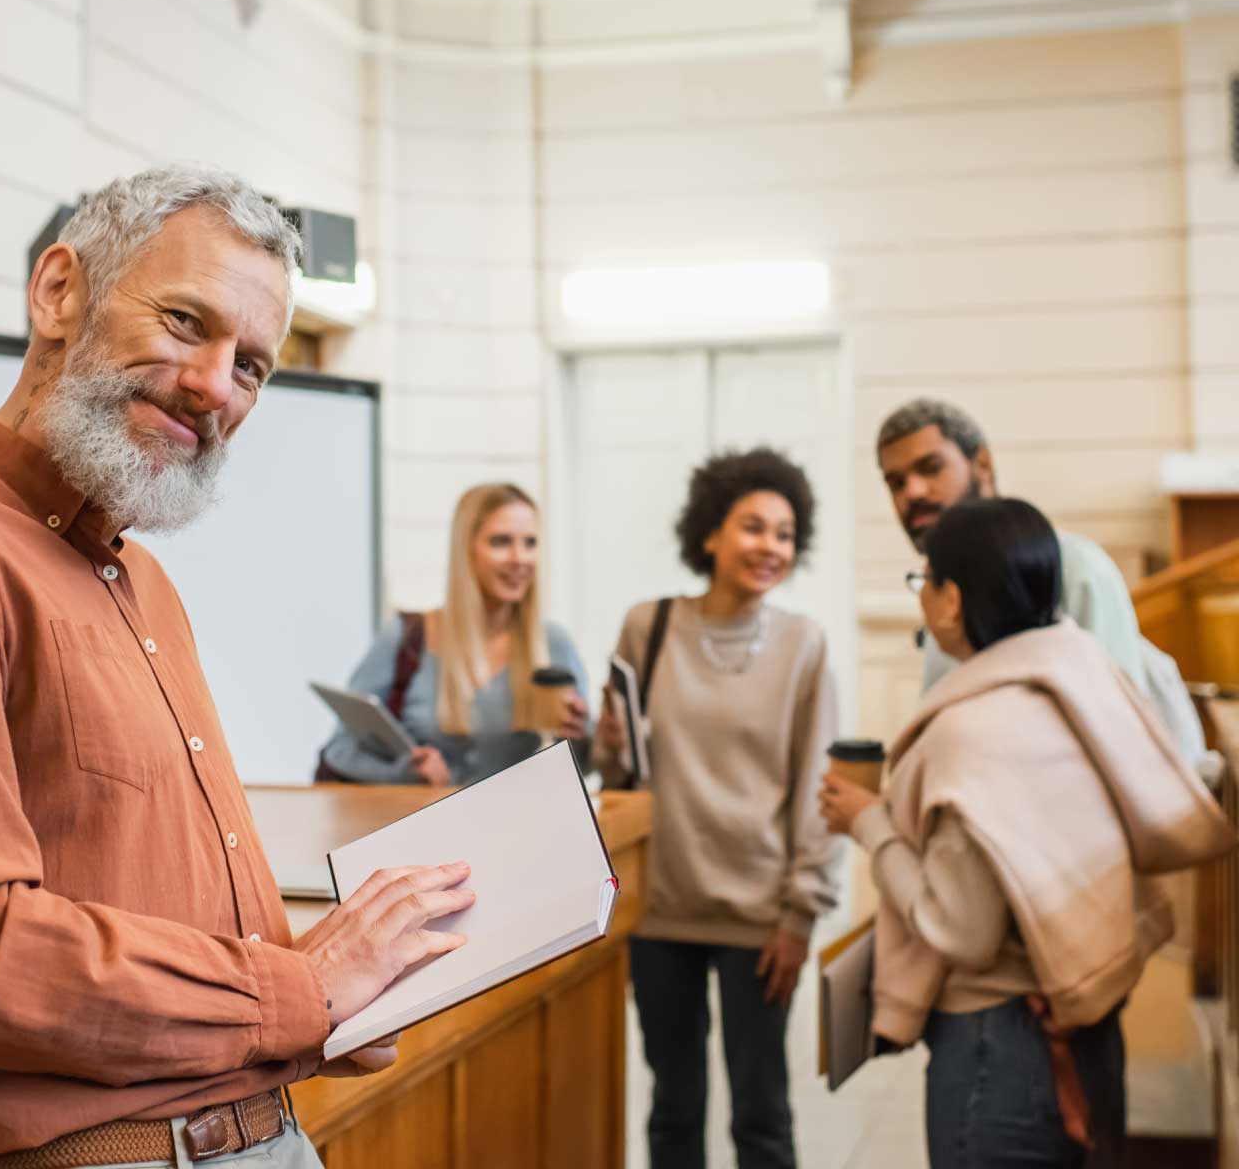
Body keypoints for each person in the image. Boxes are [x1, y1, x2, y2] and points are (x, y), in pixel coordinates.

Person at [0, 164, 478, 1168]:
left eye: (253, 366)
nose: (217, 385)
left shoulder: (143, 585)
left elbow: (159, 926)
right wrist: (302, 992)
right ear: (58, 292)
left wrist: (332, 994)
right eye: (184, 321)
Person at [820, 498, 1233, 1169]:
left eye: (924, 579)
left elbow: (963, 928)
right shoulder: (1082, 681)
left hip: (998, 1047)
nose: (921, 596)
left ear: (951, 600)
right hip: (1085, 1026)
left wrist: (869, 825)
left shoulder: (973, 730)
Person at [592, 447, 839, 1169]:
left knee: (762, 1116)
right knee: (674, 1107)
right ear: (709, 534)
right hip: (659, 905)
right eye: (753, 527)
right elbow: (622, 776)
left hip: (761, 918)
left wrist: (801, 914)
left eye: (786, 534)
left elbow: (816, 787)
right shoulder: (650, 624)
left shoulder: (803, 645)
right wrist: (606, 744)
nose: (771, 547)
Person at [320, 482, 588, 787]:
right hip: (425, 828)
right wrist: (406, 774)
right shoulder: (406, 638)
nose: (520, 558)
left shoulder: (553, 644)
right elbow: (340, 749)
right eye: (501, 542)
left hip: (517, 828)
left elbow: (585, 763)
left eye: (530, 543)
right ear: (466, 548)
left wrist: (590, 738)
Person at [874, 398, 1148, 693]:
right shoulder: (937, 585)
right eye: (896, 483)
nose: (912, 492)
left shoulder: (1075, 565)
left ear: (982, 464)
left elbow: (1115, 712)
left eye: (930, 467)